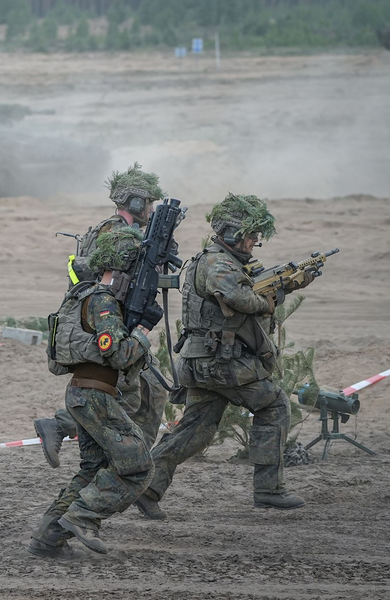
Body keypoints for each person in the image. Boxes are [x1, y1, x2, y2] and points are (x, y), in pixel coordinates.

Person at [134, 193, 311, 520]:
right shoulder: (218, 263)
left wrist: (287, 285)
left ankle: (148, 487)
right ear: (231, 234)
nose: (252, 242)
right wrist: (269, 302)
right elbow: (236, 296)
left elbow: (245, 292)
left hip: (207, 362)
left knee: (195, 430)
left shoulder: (218, 260)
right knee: (273, 405)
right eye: (249, 236)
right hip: (223, 364)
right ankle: (268, 489)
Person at [29, 228, 156, 557]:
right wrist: (142, 334)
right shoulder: (102, 300)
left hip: (84, 394)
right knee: (138, 466)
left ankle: (48, 536)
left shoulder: (85, 296)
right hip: (95, 395)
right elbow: (119, 355)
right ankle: (84, 518)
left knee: (92, 470)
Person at [34, 163, 169, 469]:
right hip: (110, 324)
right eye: (148, 202)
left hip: (110, 323)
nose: (150, 208)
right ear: (135, 202)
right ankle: (73, 433)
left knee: (150, 390)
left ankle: (132, 466)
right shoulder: (119, 235)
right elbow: (116, 283)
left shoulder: (110, 230)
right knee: (126, 392)